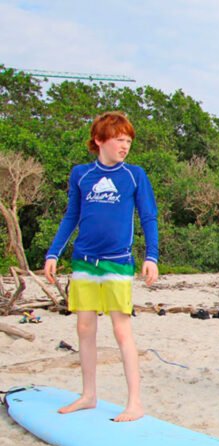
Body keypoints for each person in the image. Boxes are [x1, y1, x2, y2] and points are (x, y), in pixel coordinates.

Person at [43, 111, 159, 422]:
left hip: (118, 262)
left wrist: (152, 257)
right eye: (120, 140)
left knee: (122, 330)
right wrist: (53, 253)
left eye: (129, 141)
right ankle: (88, 395)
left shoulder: (135, 175)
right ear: (100, 140)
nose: (125, 146)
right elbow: (71, 216)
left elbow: (148, 217)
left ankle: (134, 402)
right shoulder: (81, 174)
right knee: (84, 328)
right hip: (84, 260)